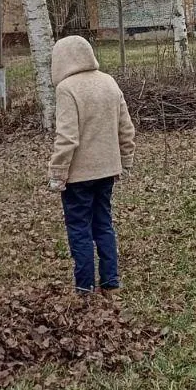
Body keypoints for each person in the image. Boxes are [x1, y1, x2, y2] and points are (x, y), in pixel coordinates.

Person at [47, 35, 136, 296]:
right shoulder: (109, 82)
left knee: (79, 229)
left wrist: (58, 172)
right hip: (107, 170)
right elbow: (126, 128)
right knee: (103, 224)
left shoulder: (66, 89)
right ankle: (110, 283)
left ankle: (84, 288)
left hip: (78, 176)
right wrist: (126, 159)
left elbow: (67, 138)